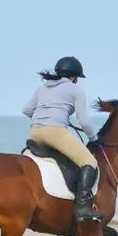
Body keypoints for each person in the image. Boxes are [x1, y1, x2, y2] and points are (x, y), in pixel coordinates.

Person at [22, 56, 100, 222]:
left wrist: (44, 117)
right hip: (55, 132)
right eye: (77, 78)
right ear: (73, 77)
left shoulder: (43, 87)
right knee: (89, 162)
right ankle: (83, 207)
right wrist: (93, 138)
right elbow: (84, 122)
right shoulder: (76, 90)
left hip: (35, 132)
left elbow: (27, 110)